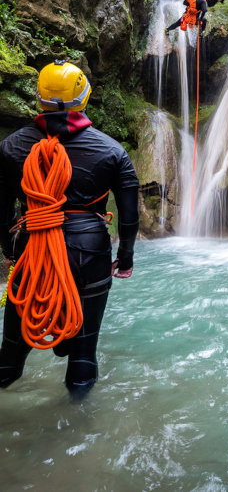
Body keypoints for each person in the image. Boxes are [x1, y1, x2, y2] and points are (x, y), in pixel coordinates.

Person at [0, 60, 139, 393]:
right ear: (84, 98)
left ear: (39, 99)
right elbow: (128, 214)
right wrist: (127, 256)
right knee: (82, 357)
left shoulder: (10, 148)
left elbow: (2, 212)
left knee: (8, 361)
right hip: (89, 252)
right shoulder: (112, 151)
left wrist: (9, 253)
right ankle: (82, 432)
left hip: (32, 249)